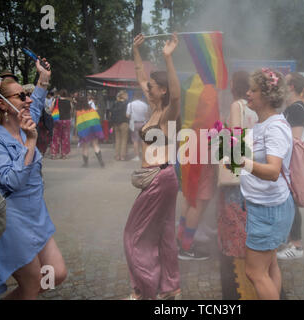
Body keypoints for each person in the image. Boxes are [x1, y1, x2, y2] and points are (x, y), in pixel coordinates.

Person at [0, 58, 67, 299]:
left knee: (56, 274)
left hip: (36, 215)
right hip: (12, 222)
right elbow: (11, 181)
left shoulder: (23, 121)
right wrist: (30, 142)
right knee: (32, 284)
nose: (27, 99)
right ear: (2, 104)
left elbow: (36, 101)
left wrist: (43, 77)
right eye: (19, 96)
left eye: (25, 95)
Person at [123, 32, 181, 300]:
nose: (146, 88)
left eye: (152, 87)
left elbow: (177, 97)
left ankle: (143, 292)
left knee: (134, 236)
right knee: (165, 235)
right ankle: (171, 289)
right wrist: (136, 51)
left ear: (163, 90)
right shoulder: (154, 109)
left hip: (158, 179)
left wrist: (168, 58)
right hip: (165, 177)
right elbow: (140, 75)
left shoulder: (168, 113)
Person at [239, 68, 294, 300]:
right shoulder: (263, 124)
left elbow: (272, 171)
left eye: (253, 90)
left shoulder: (275, 128)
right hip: (265, 207)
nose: (247, 93)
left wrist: (240, 161)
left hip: (269, 211)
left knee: (254, 272)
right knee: (270, 267)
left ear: (267, 95)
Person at [216, 71, 258, 298]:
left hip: (237, 167)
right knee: (248, 211)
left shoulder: (237, 106)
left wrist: (219, 134)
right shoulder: (255, 107)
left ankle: (239, 260)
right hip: (253, 166)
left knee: (234, 212)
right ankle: (251, 253)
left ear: (235, 86)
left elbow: (234, 139)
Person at [276, 72, 304, 261]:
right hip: (288, 161)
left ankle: (296, 246)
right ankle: (290, 241)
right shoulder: (291, 108)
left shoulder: (297, 109)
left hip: (292, 162)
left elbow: (295, 139)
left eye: (285, 83)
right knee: (288, 202)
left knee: (292, 203)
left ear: (291, 87)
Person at [75, 96, 105, 168]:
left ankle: (85, 163)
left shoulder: (78, 112)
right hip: (94, 129)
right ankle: (101, 162)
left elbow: (79, 123)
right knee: (95, 145)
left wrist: (77, 132)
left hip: (85, 130)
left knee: (85, 147)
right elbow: (97, 118)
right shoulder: (92, 110)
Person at [126, 90, 150, 161]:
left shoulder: (130, 105)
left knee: (135, 141)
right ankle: (144, 156)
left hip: (134, 124)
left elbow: (127, 115)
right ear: (141, 96)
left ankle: (137, 156)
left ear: (134, 96)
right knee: (143, 140)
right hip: (143, 123)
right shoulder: (145, 105)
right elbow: (147, 115)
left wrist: (133, 117)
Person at [50, 89, 71, 159]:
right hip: (67, 120)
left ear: (60, 94)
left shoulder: (56, 100)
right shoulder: (69, 102)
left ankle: (54, 154)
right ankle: (64, 154)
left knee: (56, 137)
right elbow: (71, 110)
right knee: (65, 137)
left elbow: (50, 109)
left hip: (57, 120)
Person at [110, 90, 130, 161]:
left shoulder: (115, 103)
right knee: (124, 140)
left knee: (117, 140)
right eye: (126, 95)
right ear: (124, 96)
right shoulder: (127, 104)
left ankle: (117, 156)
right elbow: (128, 114)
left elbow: (111, 114)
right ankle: (122, 156)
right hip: (124, 123)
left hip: (116, 124)